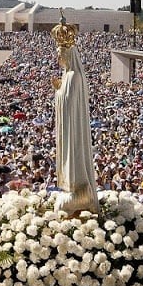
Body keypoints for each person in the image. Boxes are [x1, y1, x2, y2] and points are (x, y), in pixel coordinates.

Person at [50, 12, 98, 215]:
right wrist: (59, 89)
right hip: (68, 128)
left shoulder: (73, 75)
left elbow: (69, 103)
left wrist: (59, 91)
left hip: (74, 129)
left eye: (60, 55)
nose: (58, 58)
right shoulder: (67, 75)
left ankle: (80, 190)